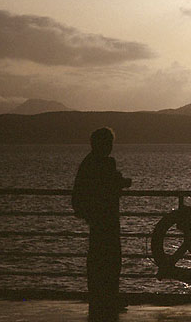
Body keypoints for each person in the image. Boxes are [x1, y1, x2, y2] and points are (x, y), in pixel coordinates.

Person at [72, 127, 131, 321]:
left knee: (97, 259)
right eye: (109, 143)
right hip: (106, 219)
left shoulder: (87, 163)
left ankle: (98, 296)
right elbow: (109, 184)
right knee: (111, 259)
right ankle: (109, 297)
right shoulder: (105, 163)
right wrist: (122, 183)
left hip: (96, 220)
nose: (110, 147)